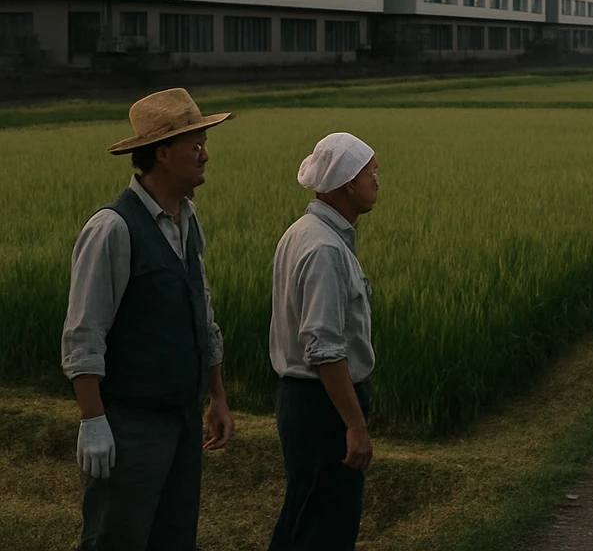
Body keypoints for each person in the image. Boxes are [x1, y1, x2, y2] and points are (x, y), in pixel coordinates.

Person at [61, 87, 235, 551]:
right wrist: (93, 420)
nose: (205, 155)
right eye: (195, 145)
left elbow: (202, 315)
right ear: (162, 153)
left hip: (182, 418)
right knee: (118, 537)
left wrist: (216, 396)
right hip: (130, 423)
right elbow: (83, 334)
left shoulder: (189, 221)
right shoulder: (113, 228)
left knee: (174, 537)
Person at [268, 131, 380, 551]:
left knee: (303, 515)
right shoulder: (325, 249)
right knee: (326, 528)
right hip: (323, 406)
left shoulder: (302, 232)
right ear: (348, 183)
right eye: (371, 173)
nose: (377, 181)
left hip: (305, 402)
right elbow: (325, 350)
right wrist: (355, 424)